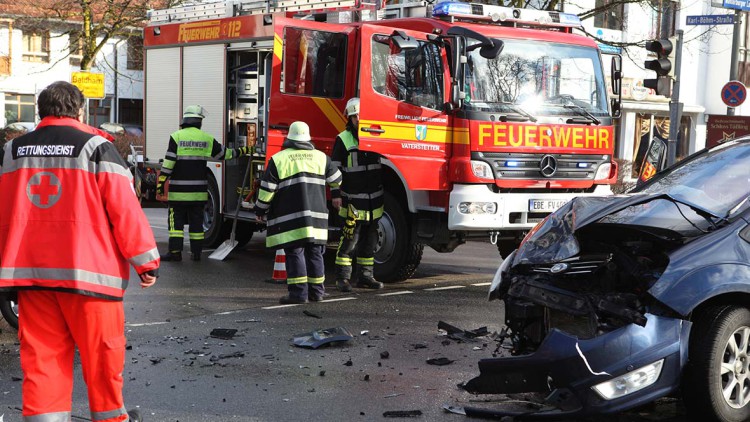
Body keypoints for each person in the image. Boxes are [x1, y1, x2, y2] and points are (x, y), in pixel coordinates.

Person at [0, 81, 159, 422]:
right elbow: (124, 209)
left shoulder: (13, 152)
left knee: (42, 362)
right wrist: (146, 260)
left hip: (32, 279)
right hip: (91, 279)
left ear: (41, 111)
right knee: (102, 361)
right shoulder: (97, 148)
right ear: (79, 111)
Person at [254, 121, 342, 304]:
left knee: (295, 253)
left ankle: (298, 295)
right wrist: (335, 194)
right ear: (308, 138)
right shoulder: (322, 158)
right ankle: (317, 293)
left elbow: (267, 190)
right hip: (317, 218)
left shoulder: (279, 159)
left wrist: (260, 210)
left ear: (289, 138)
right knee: (315, 253)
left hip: (291, 218)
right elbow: (337, 179)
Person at [157, 105, 250, 261]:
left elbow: (169, 163)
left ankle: (175, 253)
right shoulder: (206, 138)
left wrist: (161, 183)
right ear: (199, 122)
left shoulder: (176, 137)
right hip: (199, 193)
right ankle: (197, 253)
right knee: (197, 224)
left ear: (184, 120)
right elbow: (225, 154)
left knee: (176, 225)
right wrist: (245, 150)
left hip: (178, 194)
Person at [331, 97, 385, 292]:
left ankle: (365, 277)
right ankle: (342, 279)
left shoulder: (376, 136)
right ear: (350, 118)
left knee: (369, 244)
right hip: (352, 201)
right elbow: (335, 169)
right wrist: (335, 194)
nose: (359, 119)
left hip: (373, 202)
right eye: (355, 116)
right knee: (349, 242)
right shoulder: (343, 140)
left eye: (362, 116)